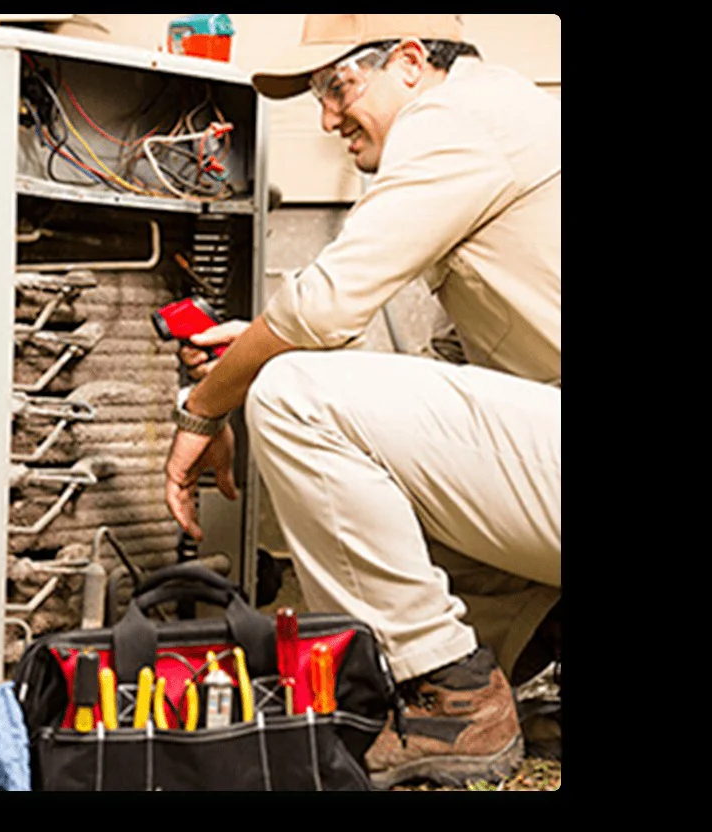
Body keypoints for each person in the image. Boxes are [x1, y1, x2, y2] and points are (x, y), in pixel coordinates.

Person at [164, 14, 560, 788]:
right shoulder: (505, 117)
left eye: (337, 85)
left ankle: (457, 706)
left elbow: (323, 305)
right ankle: (475, 678)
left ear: (409, 63)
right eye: (316, 94)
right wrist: (265, 347)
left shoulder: (456, 120)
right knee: (325, 409)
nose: (327, 118)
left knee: (291, 394)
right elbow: (449, 386)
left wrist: (205, 406)